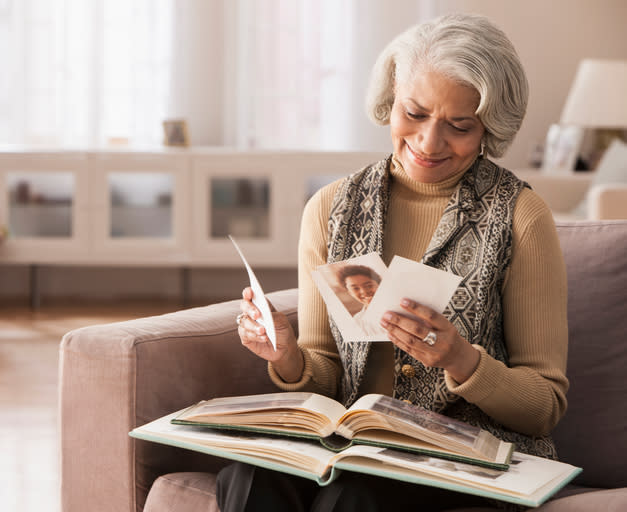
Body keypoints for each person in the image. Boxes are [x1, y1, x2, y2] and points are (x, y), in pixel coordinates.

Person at [225, 12, 568, 512]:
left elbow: (545, 406)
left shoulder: (521, 215)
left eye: (459, 126)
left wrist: (460, 359)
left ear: (489, 128)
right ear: (391, 97)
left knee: (353, 498)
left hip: (468, 459)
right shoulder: (330, 208)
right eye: (414, 113)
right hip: (352, 446)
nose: (429, 142)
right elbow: (323, 374)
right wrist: (286, 355)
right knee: (249, 476)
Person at [336, 264, 386, 338]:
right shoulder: (357, 322)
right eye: (355, 288)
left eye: (369, 285)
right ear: (350, 293)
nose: (364, 292)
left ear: (379, 285)